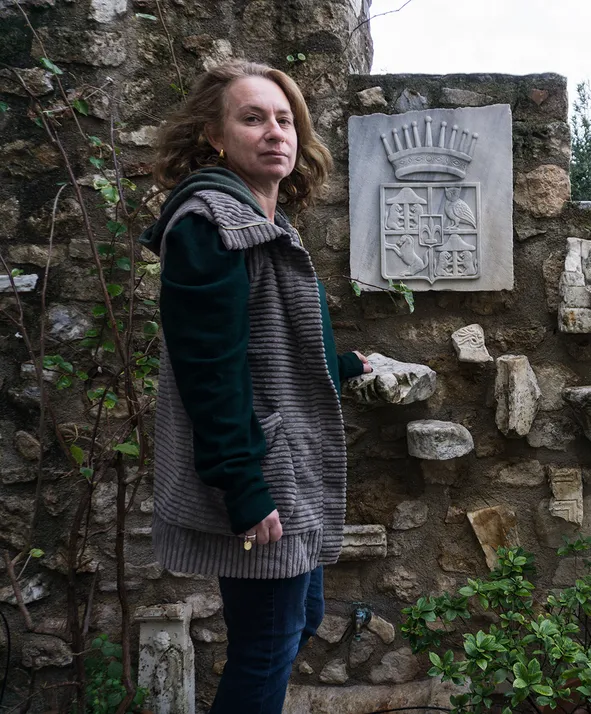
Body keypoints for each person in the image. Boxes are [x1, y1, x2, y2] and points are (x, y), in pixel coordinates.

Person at [139, 60, 369, 713]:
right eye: (252, 118)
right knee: (265, 649)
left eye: (284, 118)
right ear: (214, 135)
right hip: (263, 476)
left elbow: (270, 340)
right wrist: (242, 486)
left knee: (296, 621)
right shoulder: (208, 225)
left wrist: (344, 364)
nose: (276, 132)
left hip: (285, 463)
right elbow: (210, 369)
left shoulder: (260, 217)